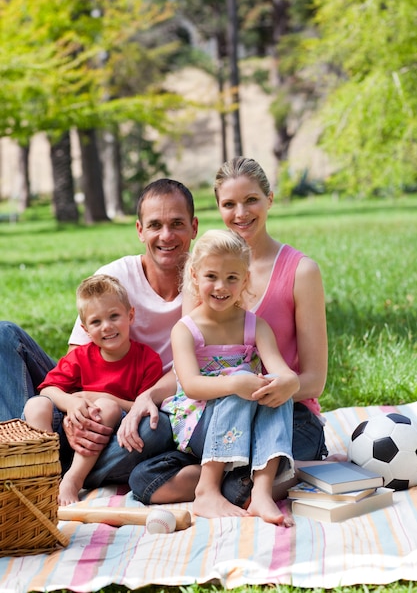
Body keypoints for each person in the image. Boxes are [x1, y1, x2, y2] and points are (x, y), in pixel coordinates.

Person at [128, 156, 328, 506]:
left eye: (251, 200)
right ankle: (243, 478)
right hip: (216, 410)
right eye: (229, 204)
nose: (241, 213)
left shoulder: (301, 271)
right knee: (143, 471)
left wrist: (274, 388)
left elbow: (314, 379)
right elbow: (191, 361)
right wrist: (148, 396)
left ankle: (238, 483)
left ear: (270, 199)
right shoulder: (203, 269)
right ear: (218, 207)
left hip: (284, 411)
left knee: (243, 479)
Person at [0, 178, 198, 486]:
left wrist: (120, 403)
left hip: (137, 410)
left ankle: (59, 473)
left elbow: (193, 372)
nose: (166, 235)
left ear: (194, 227)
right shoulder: (114, 277)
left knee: (158, 429)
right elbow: (76, 361)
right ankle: (20, 455)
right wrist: (71, 412)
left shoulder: (206, 287)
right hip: (82, 403)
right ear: (139, 230)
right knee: (4, 335)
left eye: (177, 224)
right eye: (155, 225)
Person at [129, 229, 299, 525]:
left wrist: (288, 382)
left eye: (232, 277)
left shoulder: (255, 326)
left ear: (245, 279)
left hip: (242, 419)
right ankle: (207, 489)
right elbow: (192, 386)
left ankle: (261, 492)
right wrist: (235, 382)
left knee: (277, 391)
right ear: (194, 276)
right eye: (211, 276)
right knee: (243, 380)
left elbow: (281, 370)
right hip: (196, 423)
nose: (221, 286)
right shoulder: (186, 329)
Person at [23, 274, 163, 505]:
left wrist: (105, 399)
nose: (106, 327)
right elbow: (48, 389)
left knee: (106, 407)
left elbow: (146, 406)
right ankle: (46, 473)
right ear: (85, 329)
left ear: (130, 315)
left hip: (113, 434)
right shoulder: (80, 356)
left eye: (114, 316)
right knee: (36, 404)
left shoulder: (147, 360)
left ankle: (73, 480)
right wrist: (72, 403)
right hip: (74, 430)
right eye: (96, 322)